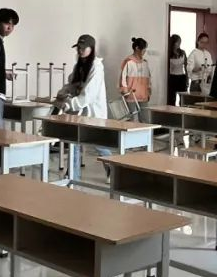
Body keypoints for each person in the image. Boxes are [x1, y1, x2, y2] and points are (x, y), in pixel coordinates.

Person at [62, 34, 110, 179]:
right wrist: (62, 93)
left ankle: (113, 169)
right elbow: (72, 83)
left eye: (83, 48)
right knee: (74, 142)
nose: (80, 50)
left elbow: (88, 95)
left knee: (98, 144)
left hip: (94, 113)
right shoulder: (79, 65)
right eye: (78, 48)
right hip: (80, 113)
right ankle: (73, 175)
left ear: (91, 49)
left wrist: (69, 103)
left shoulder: (96, 66)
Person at [120, 37, 152, 106]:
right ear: (137, 48)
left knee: (145, 113)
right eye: (144, 49)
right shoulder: (128, 62)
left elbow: (148, 79)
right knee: (132, 113)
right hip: (131, 97)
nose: (145, 51)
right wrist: (125, 91)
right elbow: (122, 78)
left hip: (143, 96)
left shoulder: (145, 63)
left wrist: (149, 92)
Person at [166, 35, 189, 105]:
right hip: (172, 77)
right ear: (173, 43)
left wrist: (187, 78)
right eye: (177, 42)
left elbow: (186, 66)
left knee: (183, 99)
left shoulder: (183, 52)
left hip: (181, 77)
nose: (179, 44)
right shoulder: (168, 53)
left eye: (180, 42)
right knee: (172, 98)